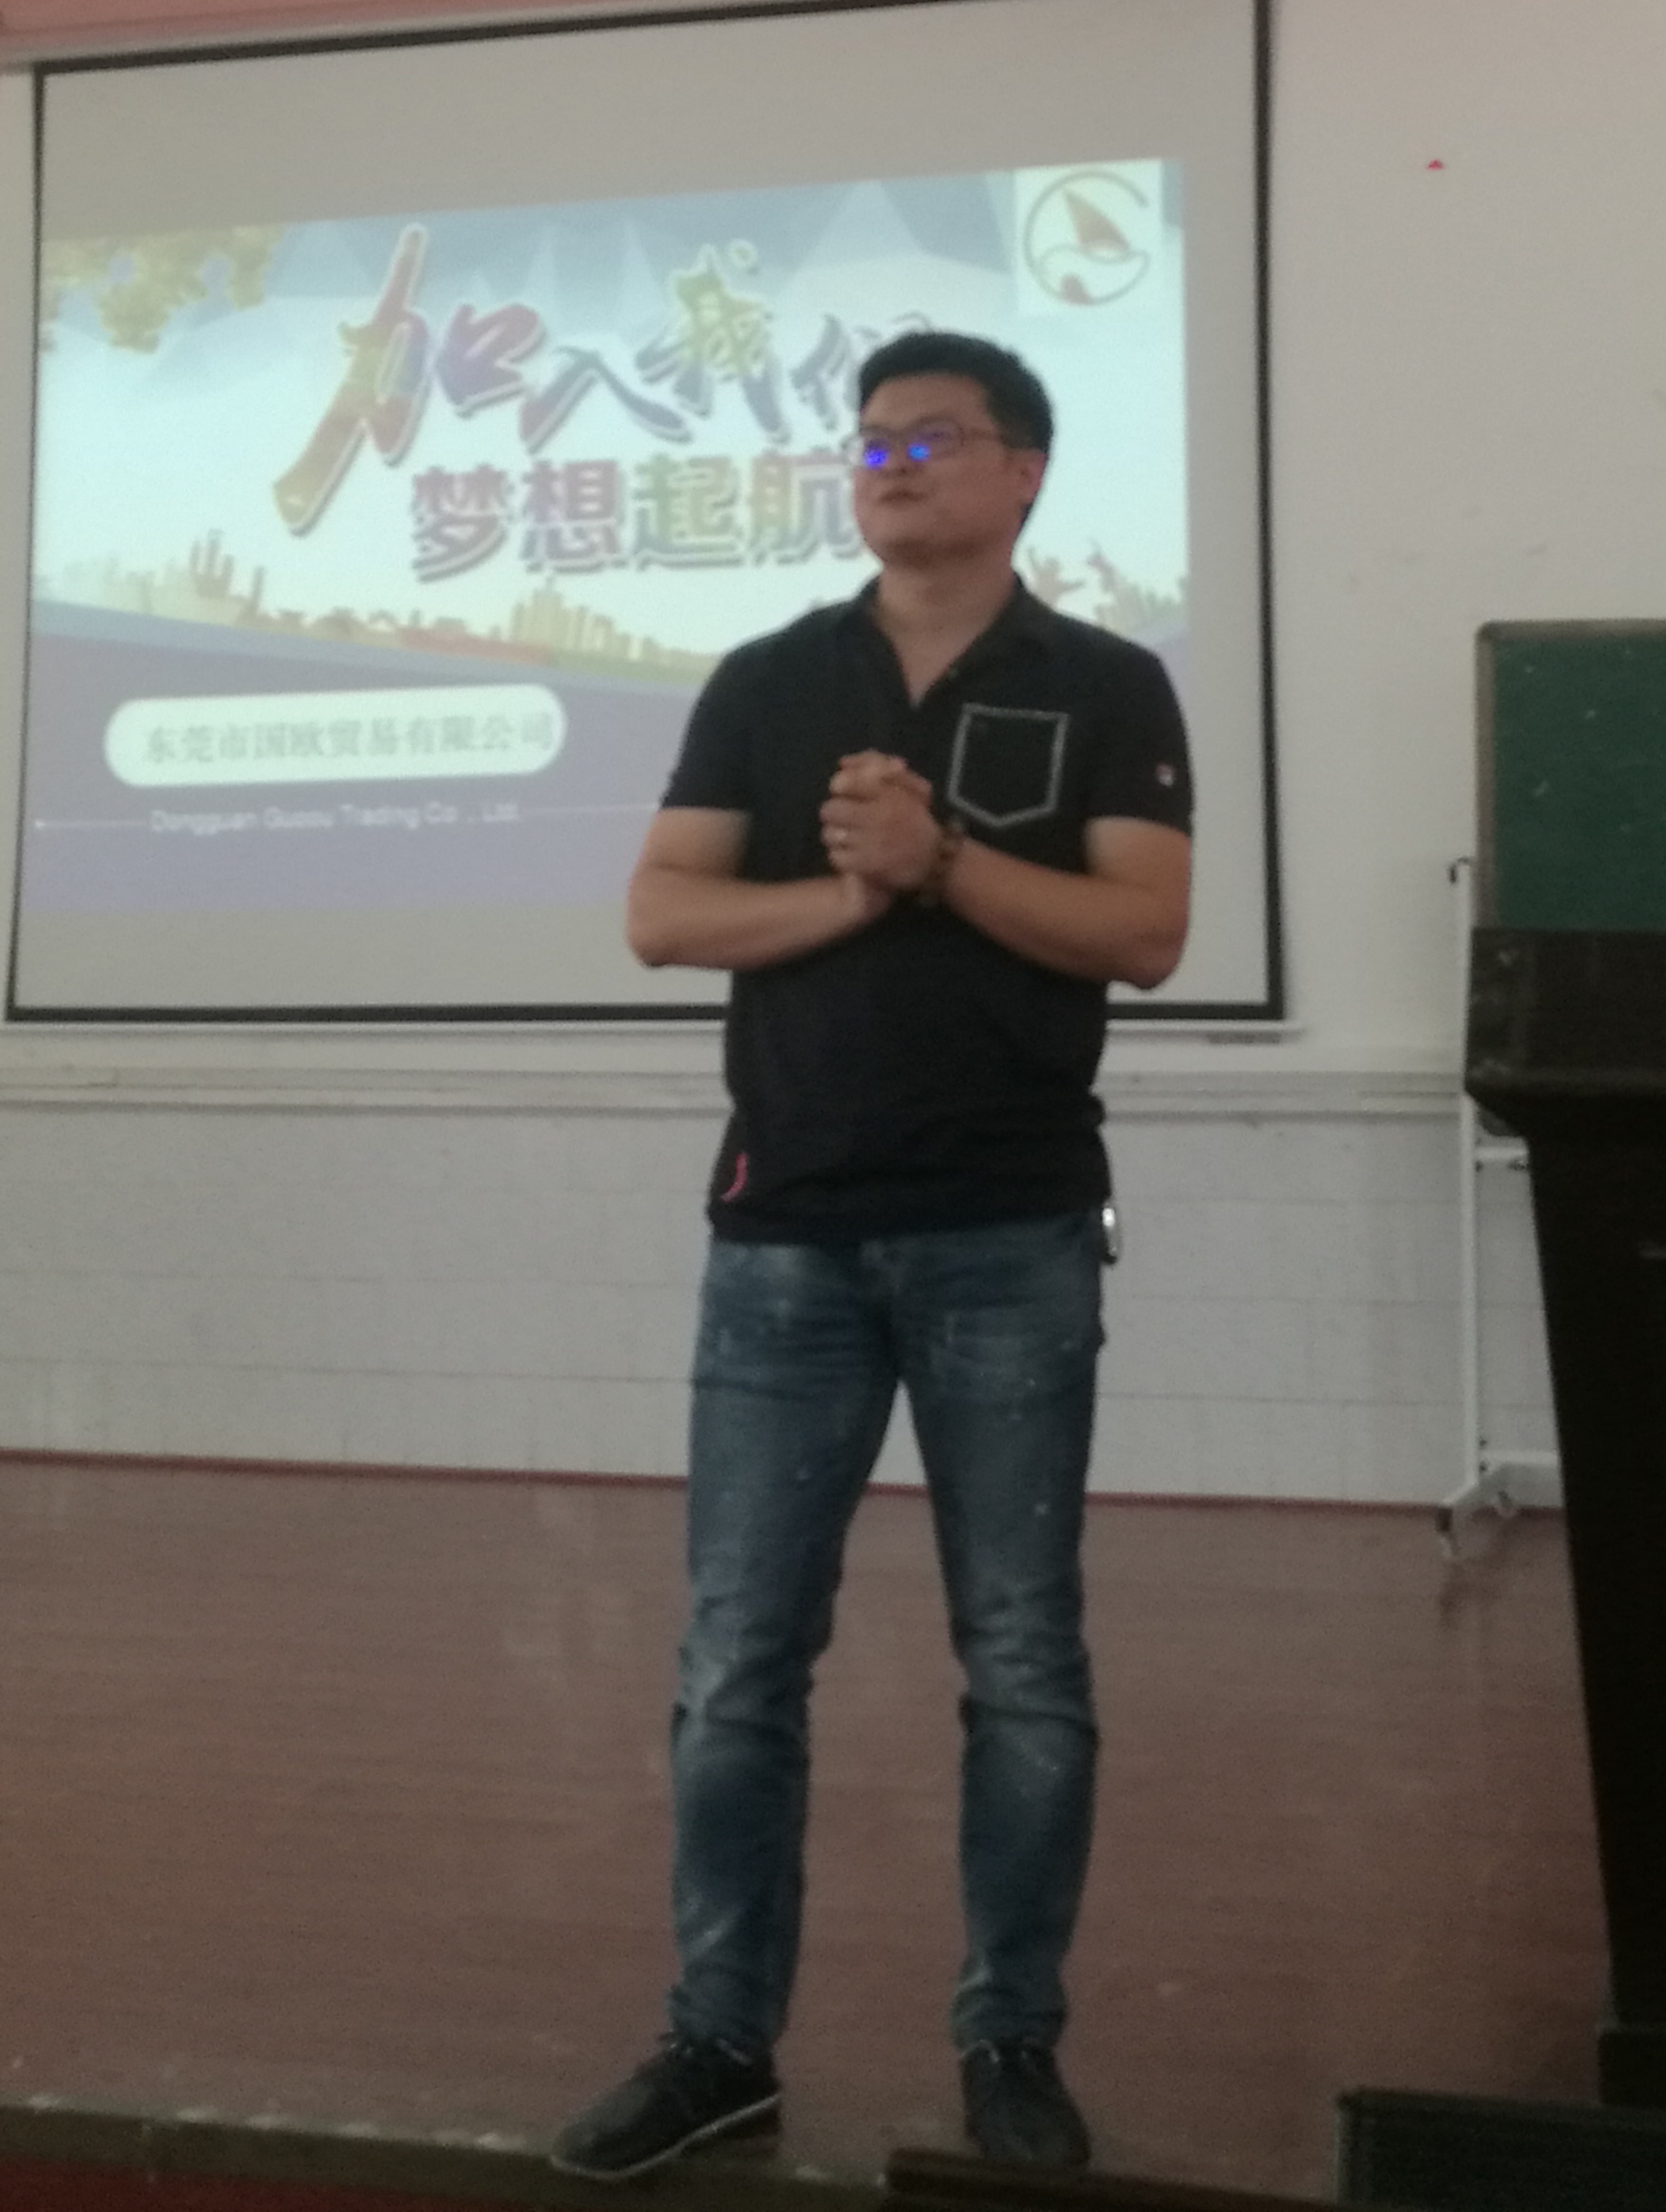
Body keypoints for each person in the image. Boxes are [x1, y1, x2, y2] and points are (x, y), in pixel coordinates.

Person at [550, 330, 1195, 2181]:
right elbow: (662, 916)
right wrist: (852, 887)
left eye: (933, 439)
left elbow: (1142, 934)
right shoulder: (772, 679)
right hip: (787, 1243)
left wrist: (943, 862)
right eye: (872, 443)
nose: (893, 466)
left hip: (1009, 1233)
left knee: (1025, 1661)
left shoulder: (1105, 682)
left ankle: (1011, 2042)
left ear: (1025, 473)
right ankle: (718, 2039)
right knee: (739, 1661)